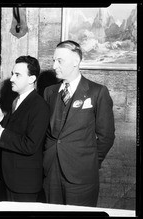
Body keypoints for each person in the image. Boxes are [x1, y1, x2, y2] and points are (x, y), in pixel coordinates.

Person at [43, 40, 115, 207]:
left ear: (76, 62)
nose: (54, 66)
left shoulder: (97, 92)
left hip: (82, 177)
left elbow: (107, 136)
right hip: (51, 172)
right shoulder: (49, 92)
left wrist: (89, 163)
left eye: (59, 61)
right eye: (54, 60)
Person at [0, 55, 50, 202]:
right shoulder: (18, 100)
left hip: (23, 185)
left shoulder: (40, 106)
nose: (12, 79)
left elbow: (30, 145)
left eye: (17, 75)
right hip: (9, 180)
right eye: (12, 74)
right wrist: (2, 118)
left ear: (32, 79)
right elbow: (19, 128)